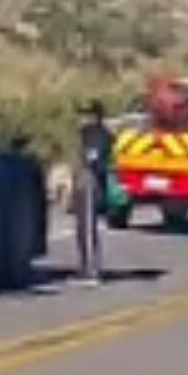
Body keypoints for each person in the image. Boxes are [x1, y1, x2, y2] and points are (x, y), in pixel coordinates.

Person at [72, 100, 114, 285]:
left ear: (95, 115)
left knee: (88, 227)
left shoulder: (98, 134)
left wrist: (90, 166)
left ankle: (92, 271)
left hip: (91, 181)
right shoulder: (86, 133)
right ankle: (85, 268)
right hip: (84, 180)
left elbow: (94, 158)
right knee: (82, 228)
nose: (82, 118)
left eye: (86, 114)